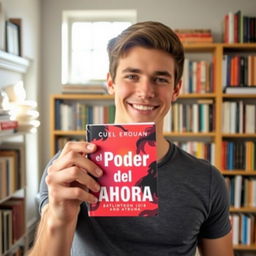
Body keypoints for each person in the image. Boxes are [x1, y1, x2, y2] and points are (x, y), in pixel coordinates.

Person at [30, 21, 234, 256]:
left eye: (160, 79)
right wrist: (58, 216)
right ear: (110, 83)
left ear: (176, 90)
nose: (146, 91)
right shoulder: (69, 169)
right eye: (132, 76)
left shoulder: (206, 180)